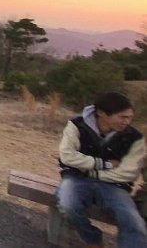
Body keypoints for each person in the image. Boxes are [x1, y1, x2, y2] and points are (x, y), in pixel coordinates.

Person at [55, 91, 147, 248]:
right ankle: (92, 240)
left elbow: (129, 172)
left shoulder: (134, 137)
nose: (127, 122)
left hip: (114, 185)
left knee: (132, 219)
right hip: (76, 178)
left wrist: (90, 171)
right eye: (122, 117)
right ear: (101, 113)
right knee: (67, 204)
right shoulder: (77, 125)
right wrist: (104, 164)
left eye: (130, 117)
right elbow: (67, 156)